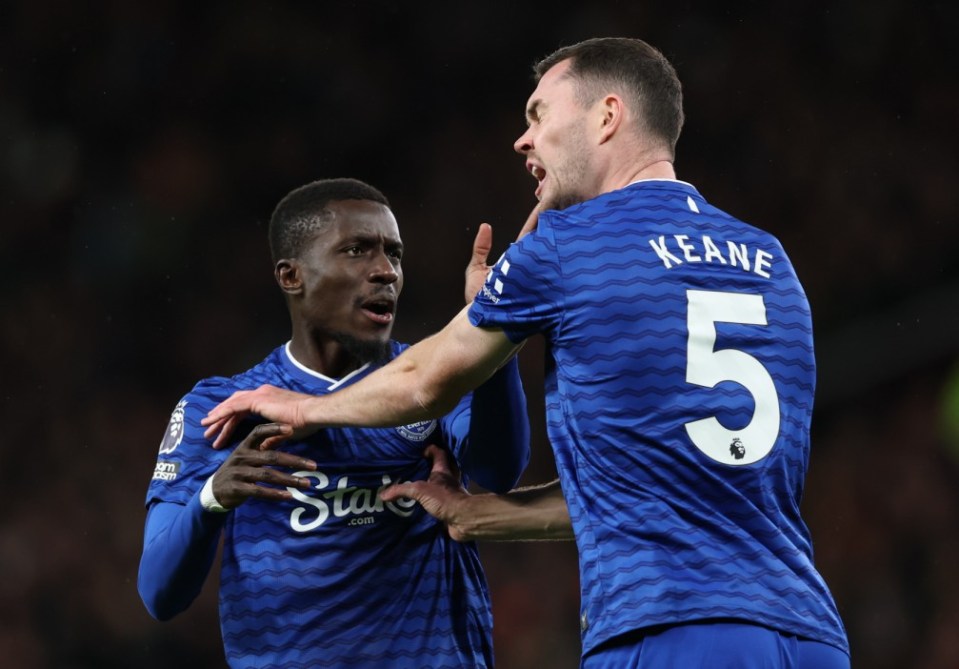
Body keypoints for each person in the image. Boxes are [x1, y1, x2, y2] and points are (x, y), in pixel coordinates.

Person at [202, 38, 850, 668]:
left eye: (539, 114)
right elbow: (656, 493)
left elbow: (426, 381)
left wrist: (302, 405)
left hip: (667, 629)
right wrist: (476, 515)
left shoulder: (568, 242)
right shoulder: (769, 260)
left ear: (607, 116)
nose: (523, 138)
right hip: (807, 630)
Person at [137, 177, 530, 669]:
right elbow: (160, 594)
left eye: (394, 254)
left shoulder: (433, 379)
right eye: (357, 250)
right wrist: (212, 497)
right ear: (292, 277)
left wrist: (494, 328)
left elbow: (499, 471)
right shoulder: (223, 407)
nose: (386, 271)